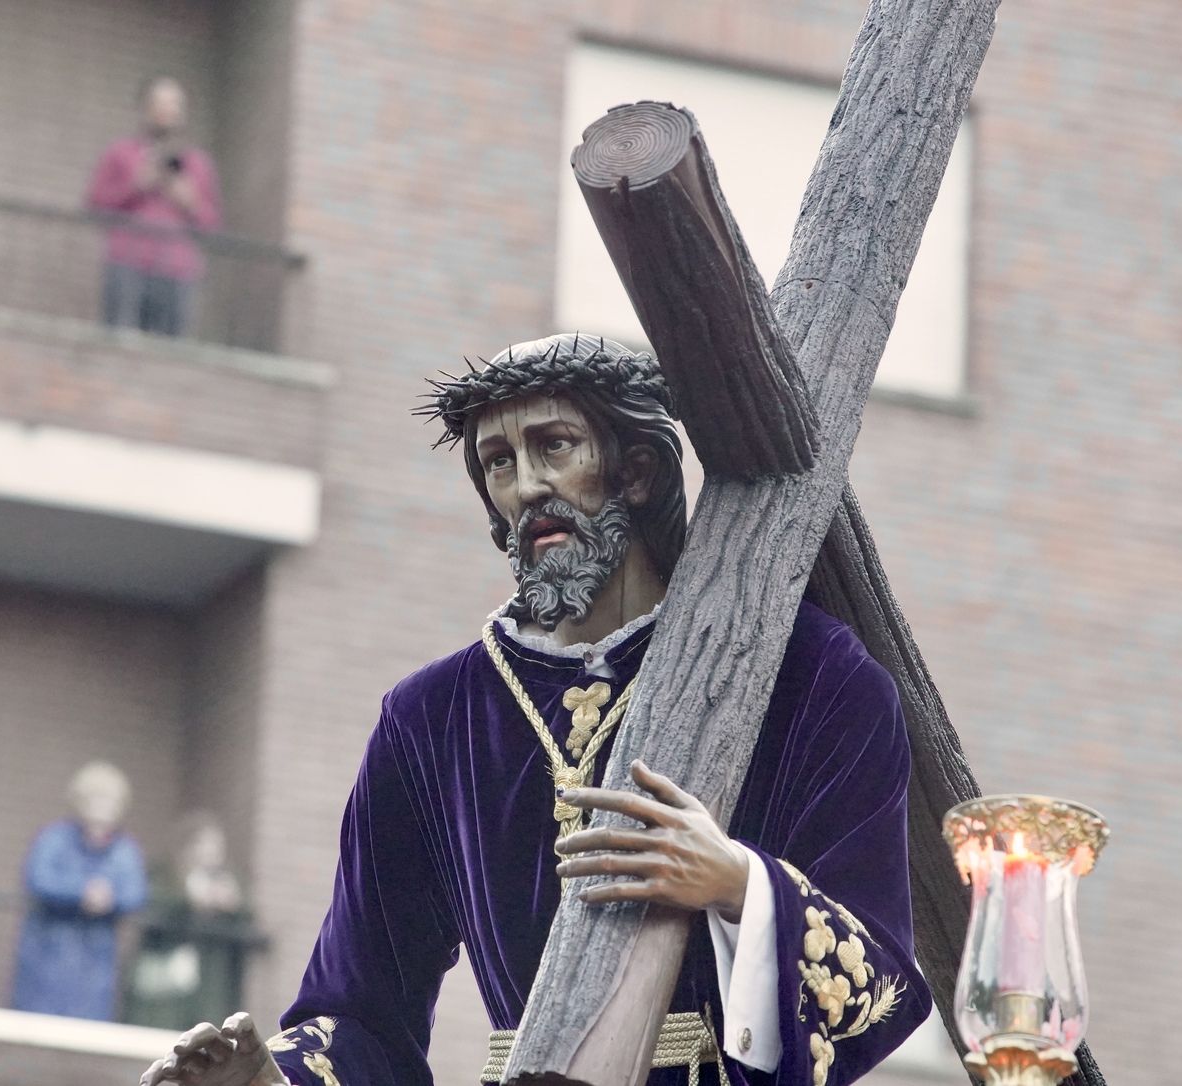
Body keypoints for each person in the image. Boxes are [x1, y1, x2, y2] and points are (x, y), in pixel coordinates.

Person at [142, 335, 930, 1085]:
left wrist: (737, 885)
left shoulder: (806, 672)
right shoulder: (432, 721)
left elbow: (885, 978)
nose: (526, 486)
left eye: (555, 447)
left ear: (640, 471)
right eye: (498, 461)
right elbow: (363, 1011)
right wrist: (267, 1078)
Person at [86, 76, 223, 337]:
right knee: (119, 344)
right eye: (159, 103)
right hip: (126, 263)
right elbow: (95, 205)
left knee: (167, 355)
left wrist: (190, 202)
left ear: (183, 113)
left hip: (177, 270)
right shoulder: (121, 153)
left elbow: (212, 227)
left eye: (173, 104)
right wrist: (136, 185)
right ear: (144, 108)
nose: (165, 111)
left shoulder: (198, 164)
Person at [12, 760, 149, 1020]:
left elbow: (135, 893)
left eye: (109, 800)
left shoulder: (125, 850)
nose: (102, 808)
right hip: (48, 951)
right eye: (95, 799)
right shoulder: (54, 838)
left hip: (96, 962)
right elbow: (38, 878)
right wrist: (81, 893)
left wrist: (110, 898)